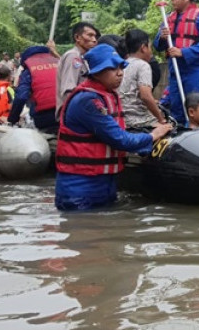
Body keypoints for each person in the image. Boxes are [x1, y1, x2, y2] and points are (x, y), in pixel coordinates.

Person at [55, 44, 173, 211]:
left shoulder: (108, 95)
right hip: (79, 188)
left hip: (103, 185)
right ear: (96, 72)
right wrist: (154, 135)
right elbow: (120, 139)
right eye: (112, 68)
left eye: (120, 67)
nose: (119, 73)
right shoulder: (87, 101)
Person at [153, 0, 199, 126]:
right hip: (175, 70)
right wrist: (162, 37)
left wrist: (183, 52)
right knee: (177, 108)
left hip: (194, 70)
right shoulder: (168, 19)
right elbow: (157, 46)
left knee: (197, 107)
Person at [119, 29, 167, 130]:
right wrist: (160, 119)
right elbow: (145, 96)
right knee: (170, 126)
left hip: (121, 119)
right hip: (139, 120)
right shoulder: (143, 65)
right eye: (149, 47)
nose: (151, 51)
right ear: (143, 48)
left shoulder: (122, 65)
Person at [7, 45, 59, 133]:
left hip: (45, 116)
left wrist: (12, 119)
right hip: (68, 112)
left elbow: (21, 97)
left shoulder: (28, 70)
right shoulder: (58, 62)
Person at [56, 21, 100, 118]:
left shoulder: (83, 58)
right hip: (74, 116)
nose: (94, 40)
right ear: (77, 38)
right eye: (90, 35)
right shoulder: (73, 57)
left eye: (95, 36)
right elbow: (69, 91)